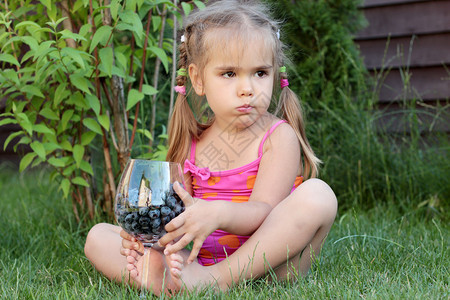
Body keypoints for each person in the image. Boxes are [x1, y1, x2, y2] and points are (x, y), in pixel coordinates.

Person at [84, 0, 337, 295]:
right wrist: (145, 238)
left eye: (260, 73)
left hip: (271, 265)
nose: (248, 88)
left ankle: (216, 281)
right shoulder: (193, 143)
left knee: (318, 195)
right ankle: (188, 280)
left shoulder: (278, 137)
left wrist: (216, 213)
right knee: (98, 236)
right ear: (197, 79)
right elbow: (176, 220)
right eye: (229, 73)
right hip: (200, 264)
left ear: (274, 74)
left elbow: (264, 211)